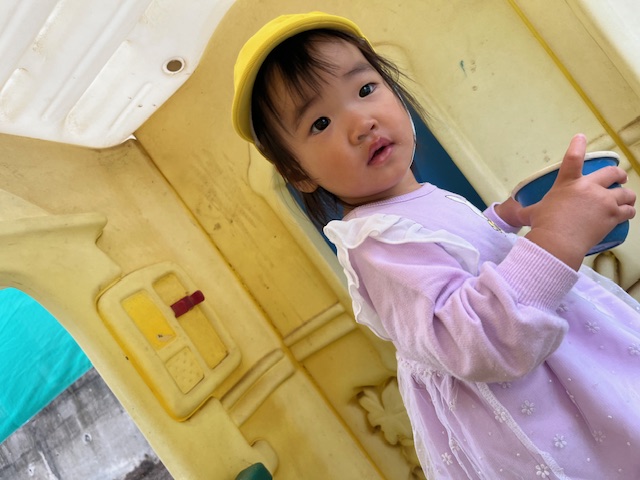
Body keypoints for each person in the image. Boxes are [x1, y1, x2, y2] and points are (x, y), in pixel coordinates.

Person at [232, 11, 640, 479]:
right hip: (541, 406)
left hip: (564, 362)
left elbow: (452, 250)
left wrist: (508, 217)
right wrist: (557, 237)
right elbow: (477, 339)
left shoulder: (412, 201)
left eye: (365, 89)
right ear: (299, 173)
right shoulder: (375, 244)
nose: (362, 122)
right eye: (320, 122)